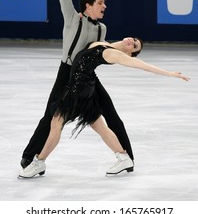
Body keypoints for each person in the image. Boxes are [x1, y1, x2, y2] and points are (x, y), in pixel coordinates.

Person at [20, 0, 135, 172]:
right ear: (88, 5)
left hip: (88, 75)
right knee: (50, 117)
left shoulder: (102, 28)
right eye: (101, 2)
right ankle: (29, 157)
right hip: (67, 73)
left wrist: (120, 52)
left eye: (105, 3)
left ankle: (127, 157)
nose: (105, 6)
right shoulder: (73, 18)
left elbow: (100, 55)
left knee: (110, 113)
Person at [18, 38, 190, 178]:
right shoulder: (105, 45)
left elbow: (142, 65)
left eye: (135, 46)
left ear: (130, 53)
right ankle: (123, 157)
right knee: (98, 125)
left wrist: (170, 74)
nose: (132, 41)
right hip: (85, 90)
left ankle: (39, 161)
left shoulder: (114, 54)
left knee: (56, 123)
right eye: (134, 39)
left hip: (78, 91)